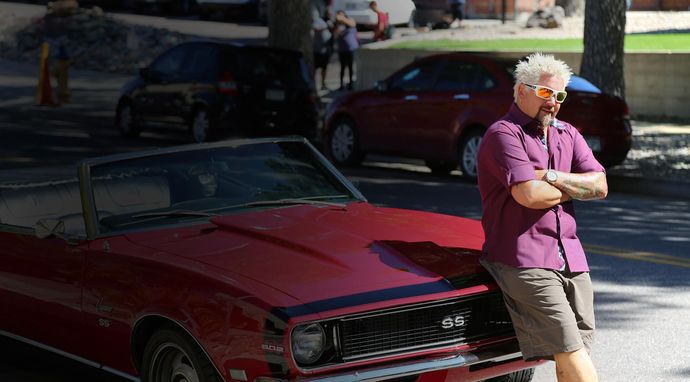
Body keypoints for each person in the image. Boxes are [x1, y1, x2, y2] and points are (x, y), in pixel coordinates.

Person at [476, 53, 607, 382]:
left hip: (572, 258)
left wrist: (548, 175)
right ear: (521, 91)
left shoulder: (568, 134)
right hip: (525, 260)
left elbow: (601, 185)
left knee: (576, 351)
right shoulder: (503, 135)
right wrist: (574, 186)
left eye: (560, 95)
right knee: (570, 348)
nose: (554, 103)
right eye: (546, 93)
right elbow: (529, 196)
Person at [334, 10, 359, 90]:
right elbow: (335, 34)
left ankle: (351, 84)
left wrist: (342, 18)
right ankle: (341, 85)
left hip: (351, 49)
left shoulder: (350, 20)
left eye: (341, 15)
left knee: (350, 67)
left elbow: (353, 24)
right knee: (342, 68)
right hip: (342, 49)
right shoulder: (337, 24)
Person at [312, 3, 333, 90]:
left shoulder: (329, 21)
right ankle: (313, 84)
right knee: (315, 68)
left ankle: (323, 84)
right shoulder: (318, 20)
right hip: (317, 50)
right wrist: (325, 27)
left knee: (324, 68)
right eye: (328, 12)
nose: (330, 14)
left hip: (326, 49)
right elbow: (316, 28)